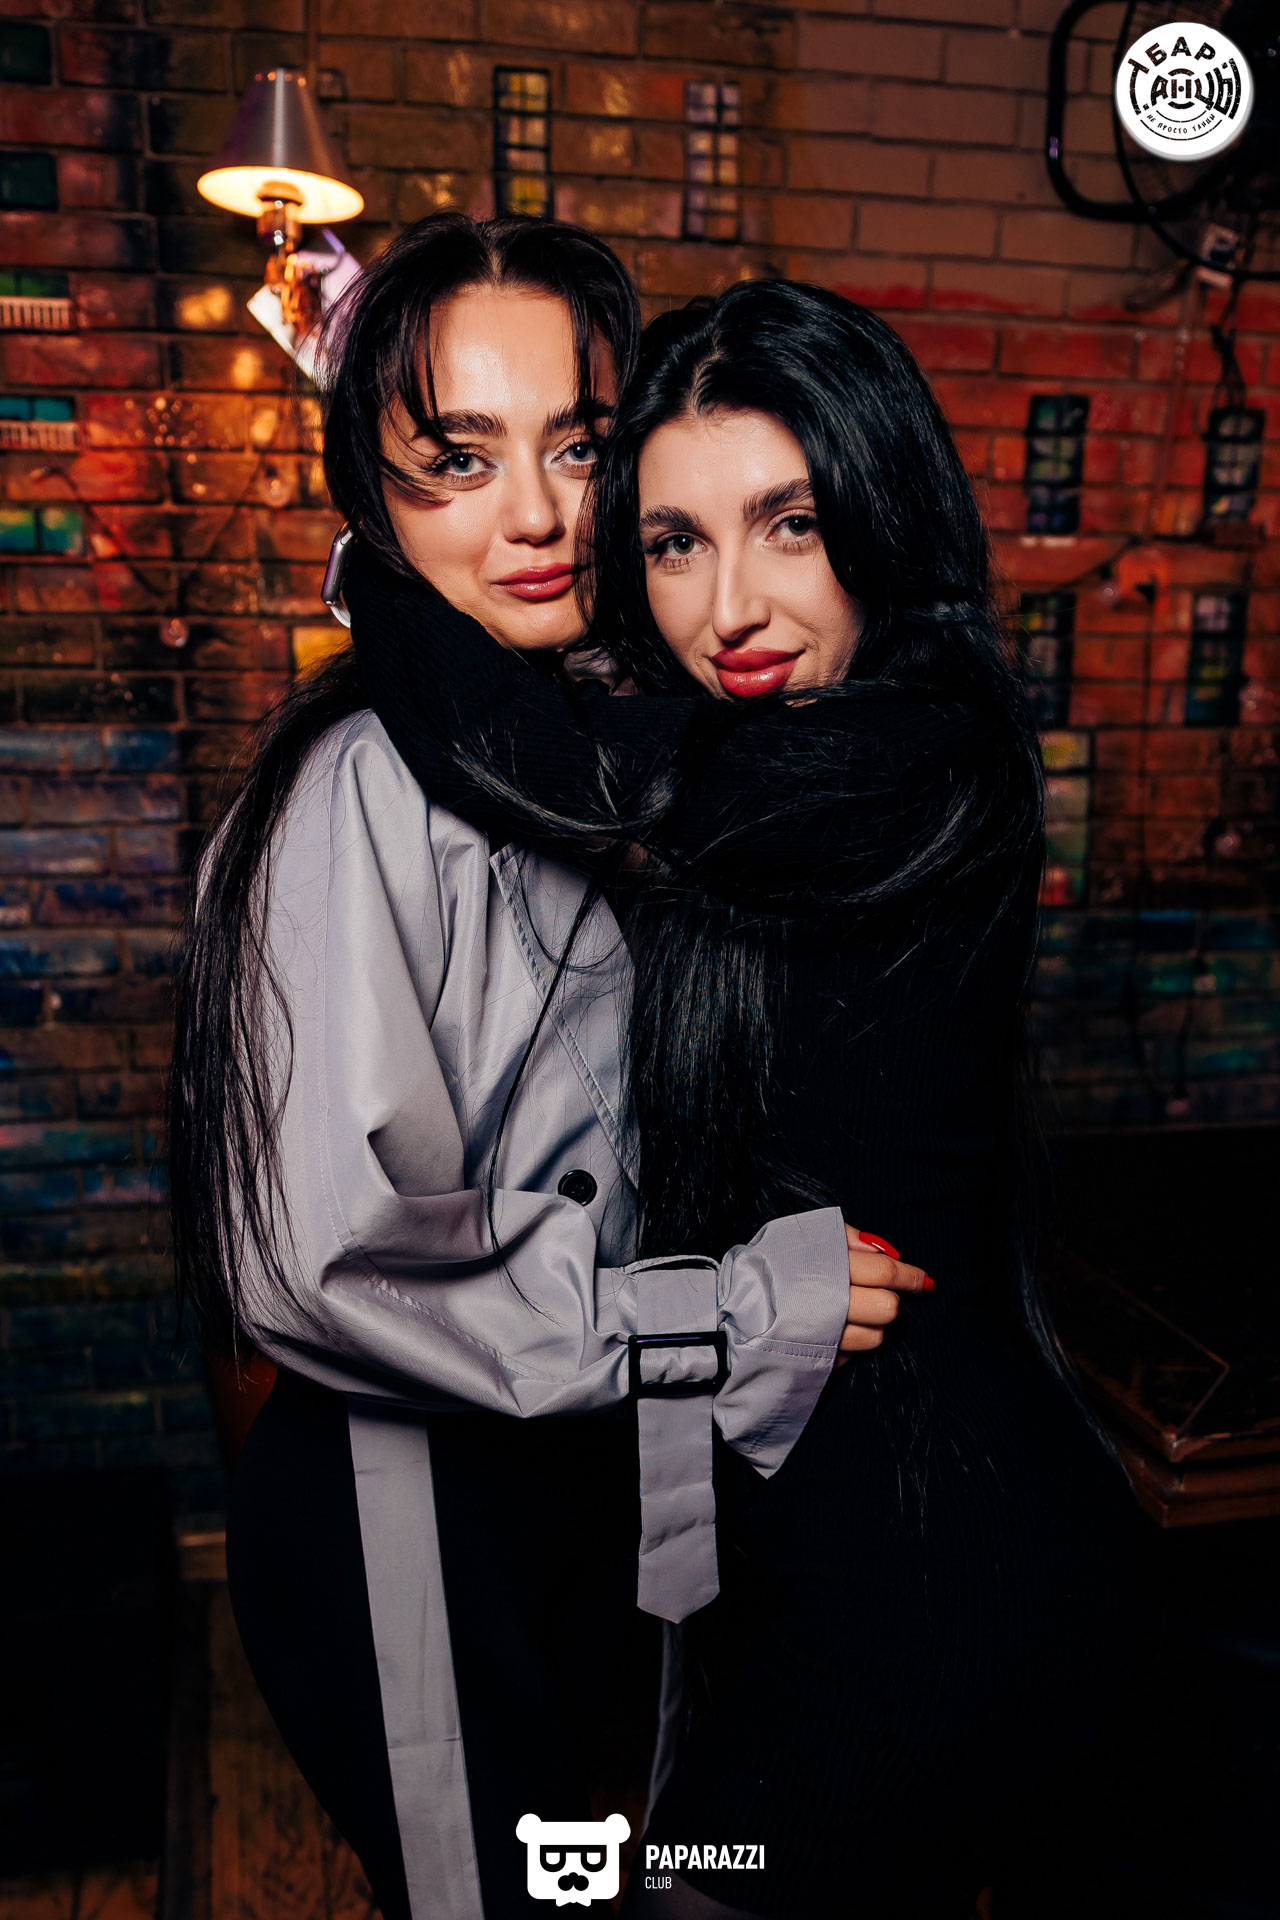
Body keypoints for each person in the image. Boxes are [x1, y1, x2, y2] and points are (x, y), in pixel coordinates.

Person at [344, 279, 1147, 1919]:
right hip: (803, 1544)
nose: (734, 609)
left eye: (791, 524)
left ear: (881, 509)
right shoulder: (737, 773)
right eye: (674, 543)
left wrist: (380, 561)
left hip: (932, 1560)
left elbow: (569, 765)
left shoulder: (926, 749)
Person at [168, 220, 918, 1920]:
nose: (535, 516)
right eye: (458, 459)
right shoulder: (362, 791)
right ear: (374, 492)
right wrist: (738, 1311)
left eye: (578, 444)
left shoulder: (589, 743)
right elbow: (326, 1258)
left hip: (584, 1482)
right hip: (412, 1522)